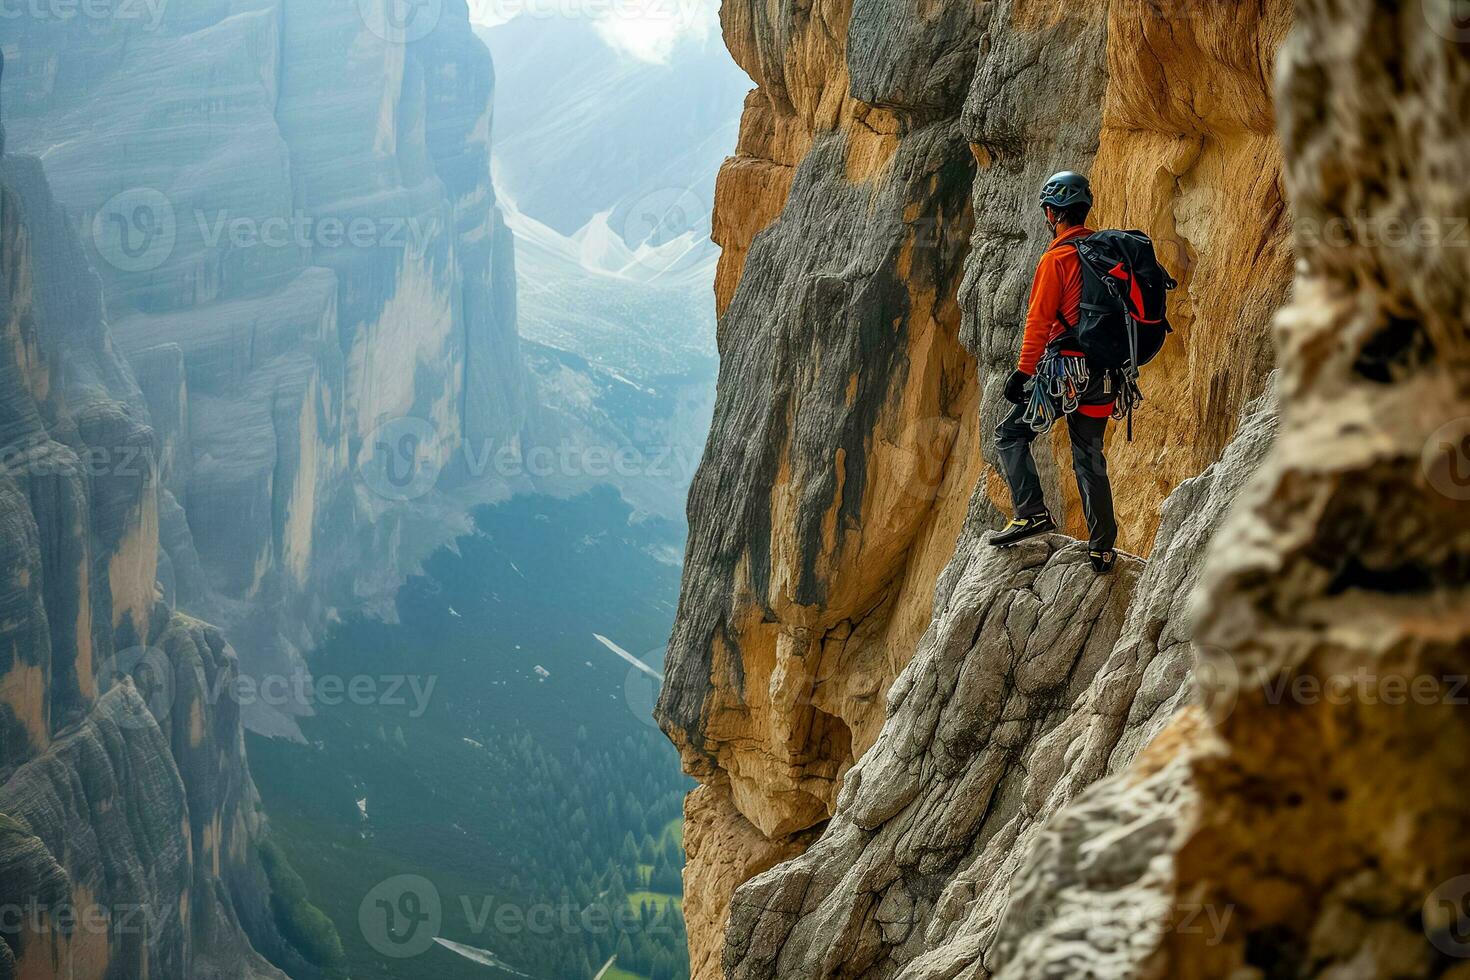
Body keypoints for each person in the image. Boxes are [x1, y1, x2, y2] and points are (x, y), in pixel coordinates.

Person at [989, 171, 1119, 574]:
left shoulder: (1057, 259)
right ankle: (1102, 548)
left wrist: (1023, 373)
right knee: (1088, 456)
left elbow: (1038, 321)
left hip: (1065, 372)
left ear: (1052, 213)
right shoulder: (1107, 254)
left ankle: (1031, 512)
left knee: (1010, 434)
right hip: (1108, 374)